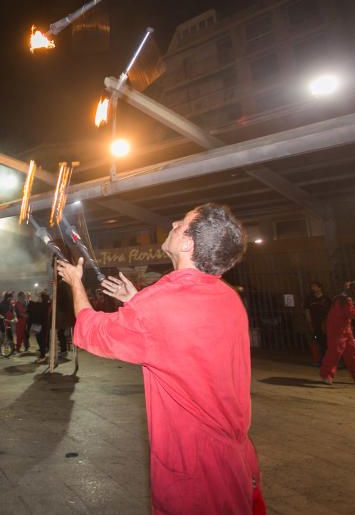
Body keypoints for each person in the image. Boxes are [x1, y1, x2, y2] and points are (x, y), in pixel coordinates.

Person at [57, 203, 263, 514]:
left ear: (187, 244)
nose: (173, 222)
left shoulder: (163, 303)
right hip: (234, 460)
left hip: (196, 469)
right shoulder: (227, 297)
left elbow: (92, 332)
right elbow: (183, 340)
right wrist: (138, 302)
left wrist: (75, 283)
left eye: (181, 224)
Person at [305, 281, 332, 366]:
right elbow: (307, 310)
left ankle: (326, 360)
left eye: (315, 286)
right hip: (314, 322)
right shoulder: (309, 299)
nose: (313, 288)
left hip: (324, 323)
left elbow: (330, 311)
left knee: (325, 342)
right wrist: (309, 322)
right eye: (312, 287)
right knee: (316, 341)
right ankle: (318, 360)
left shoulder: (326, 299)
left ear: (320, 288)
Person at [26, 291, 50, 363]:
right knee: (41, 341)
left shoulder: (41, 305)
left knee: (41, 341)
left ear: (42, 298)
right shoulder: (46, 304)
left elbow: (32, 306)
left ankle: (43, 356)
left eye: (39, 296)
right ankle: (42, 355)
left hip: (41, 326)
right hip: (43, 325)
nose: (38, 298)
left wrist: (29, 298)